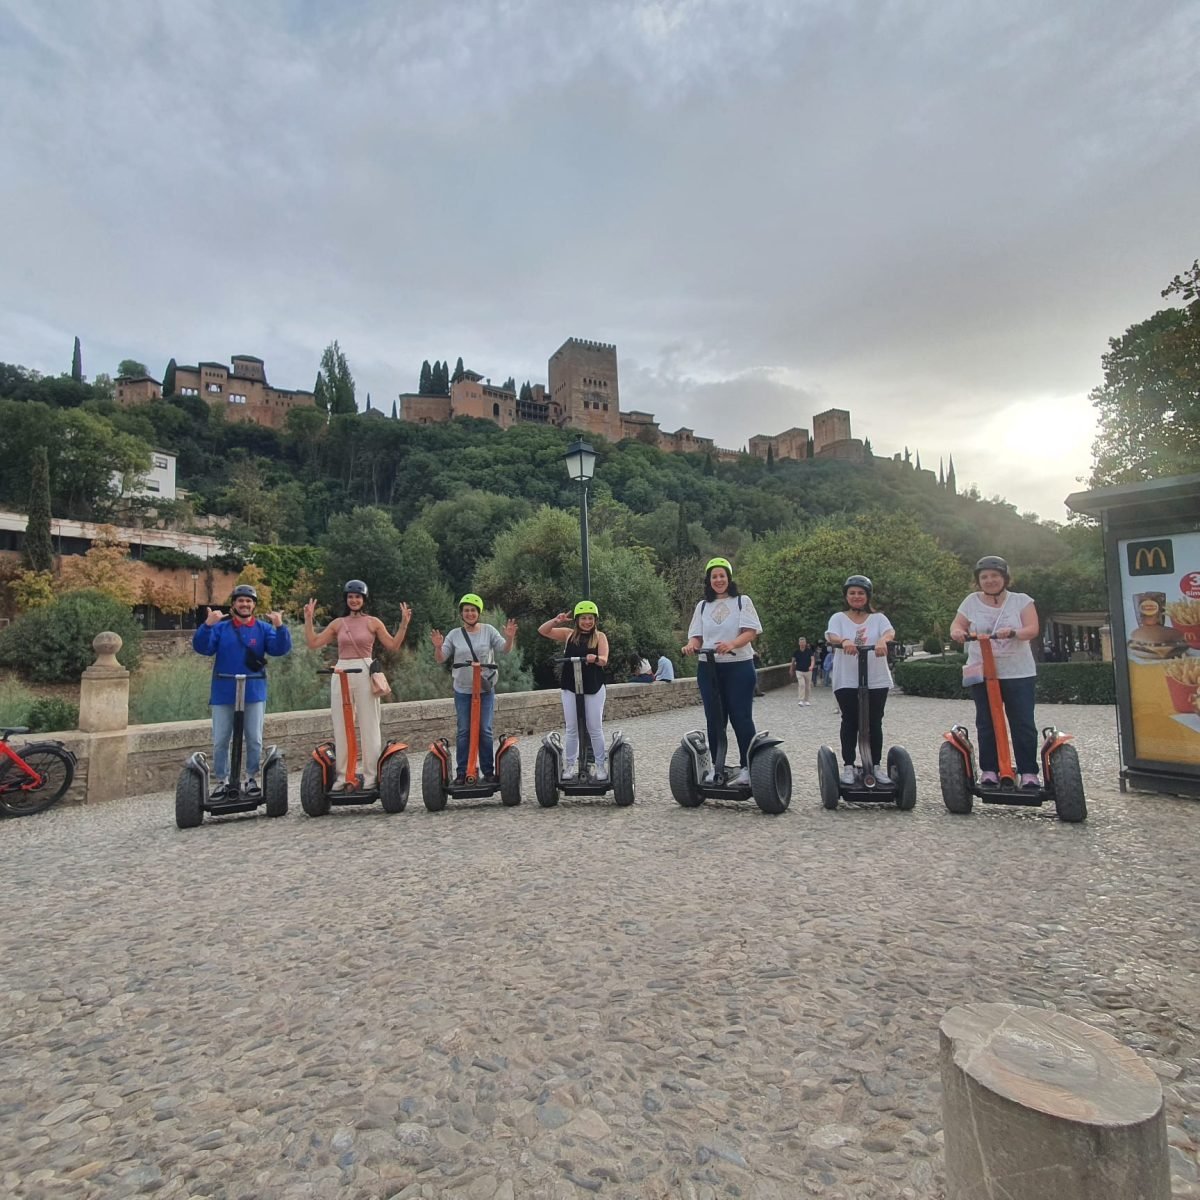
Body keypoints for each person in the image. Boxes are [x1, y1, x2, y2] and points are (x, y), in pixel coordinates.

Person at [303, 581, 411, 791]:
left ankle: (371, 776)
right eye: (350, 596)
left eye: (358, 597)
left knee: (369, 724)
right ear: (346, 599)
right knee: (342, 725)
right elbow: (313, 643)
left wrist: (404, 624)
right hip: (341, 670)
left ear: (364, 599)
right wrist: (308, 619)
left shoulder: (373, 622)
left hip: (363, 670)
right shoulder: (338, 623)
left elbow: (393, 645)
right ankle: (344, 776)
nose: (354, 600)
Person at [191, 583, 291, 798]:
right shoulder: (221, 628)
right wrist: (207, 625)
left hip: (253, 690)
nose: (244, 604)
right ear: (234, 604)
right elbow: (203, 648)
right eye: (240, 601)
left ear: (253, 605)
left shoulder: (263, 629)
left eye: (249, 601)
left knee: (254, 738)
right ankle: (222, 780)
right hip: (223, 691)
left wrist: (280, 627)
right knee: (221, 739)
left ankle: (251, 778)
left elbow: (279, 649)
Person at [949, 555, 1041, 789]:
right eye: (984, 577)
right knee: (986, 722)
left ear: (1004, 578)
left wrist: (1014, 632)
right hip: (983, 671)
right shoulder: (971, 601)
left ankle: (1029, 772)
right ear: (978, 581)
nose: (990, 580)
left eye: (994, 576)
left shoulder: (1021, 601)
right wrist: (958, 632)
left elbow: (1032, 628)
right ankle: (989, 770)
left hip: (1018, 672)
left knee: (1023, 722)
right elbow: (956, 625)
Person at [682, 556, 762, 786]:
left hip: (739, 666)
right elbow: (697, 636)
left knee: (741, 717)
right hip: (709, 668)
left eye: (722, 576)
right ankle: (718, 767)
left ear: (729, 578)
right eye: (714, 576)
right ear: (709, 580)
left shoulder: (742, 601)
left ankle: (748, 767)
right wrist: (691, 646)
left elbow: (751, 631)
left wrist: (732, 644)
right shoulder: (702, 606)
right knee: (715, 719)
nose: (718, 580)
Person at [432, 593, 517, 784]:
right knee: (463, 730)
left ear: (478, 612)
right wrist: (438, 647)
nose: (469, 613)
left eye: (473, 610)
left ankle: (488, 771)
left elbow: (504, 649)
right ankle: (462, 772)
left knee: (485, 730)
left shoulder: (488, 630)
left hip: (485, 689)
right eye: (466, 610)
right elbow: (441, 658)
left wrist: (510, 638)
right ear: (462, 613)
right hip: (463, 689)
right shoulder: (454, 634)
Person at [826, 575, 895, 785]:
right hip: (847, 678)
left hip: (876, 679)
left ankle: (875, 765)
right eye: (852, 593)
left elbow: (889, 631)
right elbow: (831, 635)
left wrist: (883, 640)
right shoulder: (838, 617)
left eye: (861, 593)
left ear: (867, 596)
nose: (856, 596)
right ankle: (848, 765)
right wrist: (844, 640)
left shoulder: (879, 619)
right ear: (846, 596)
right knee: (850, 721)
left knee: (874, 722)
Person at [538, 601, 611, 781]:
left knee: (594, 728)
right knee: (571, 728)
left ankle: (600, 766)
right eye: (583, 618)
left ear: (595, 620)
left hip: (593, 687)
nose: (587, 622)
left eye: (590, 618)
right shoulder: (569, 635)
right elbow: (543, 631)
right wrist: (556, 620)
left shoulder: (600, 636)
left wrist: (595, 658)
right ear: (577, 620)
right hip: (571, 686)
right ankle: (570, 765)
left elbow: (604, 659)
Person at [789, 636, 815, 706]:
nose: (802, 644)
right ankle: (801, 700)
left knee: (807, 686)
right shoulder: (796, 652)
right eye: (801, 642)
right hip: (799, 671)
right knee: (802, 685)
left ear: (805, 643)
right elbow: (793, 662)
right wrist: (791, 669)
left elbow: (812, 660)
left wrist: (811, 666)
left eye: (803, 642)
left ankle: (807, 700)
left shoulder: (809, 651)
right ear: (799, 643)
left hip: (808, 671)